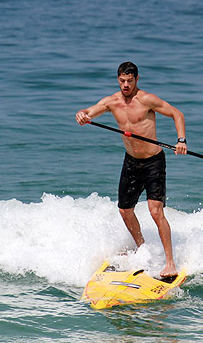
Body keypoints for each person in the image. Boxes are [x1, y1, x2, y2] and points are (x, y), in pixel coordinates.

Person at [75, 62, 187, 277]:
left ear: (137, 79)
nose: (126, 85)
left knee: (156, 211)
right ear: (118, 79)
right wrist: (81, 114)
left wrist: (181, 140)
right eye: (122, 81)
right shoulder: (112, 102)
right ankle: (142, 247)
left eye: (130, 81)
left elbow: (177, 114)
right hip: (131, 162)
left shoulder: (146, 100)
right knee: (125, 210)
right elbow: (89, 112)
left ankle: (170, 262)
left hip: (154, 162)